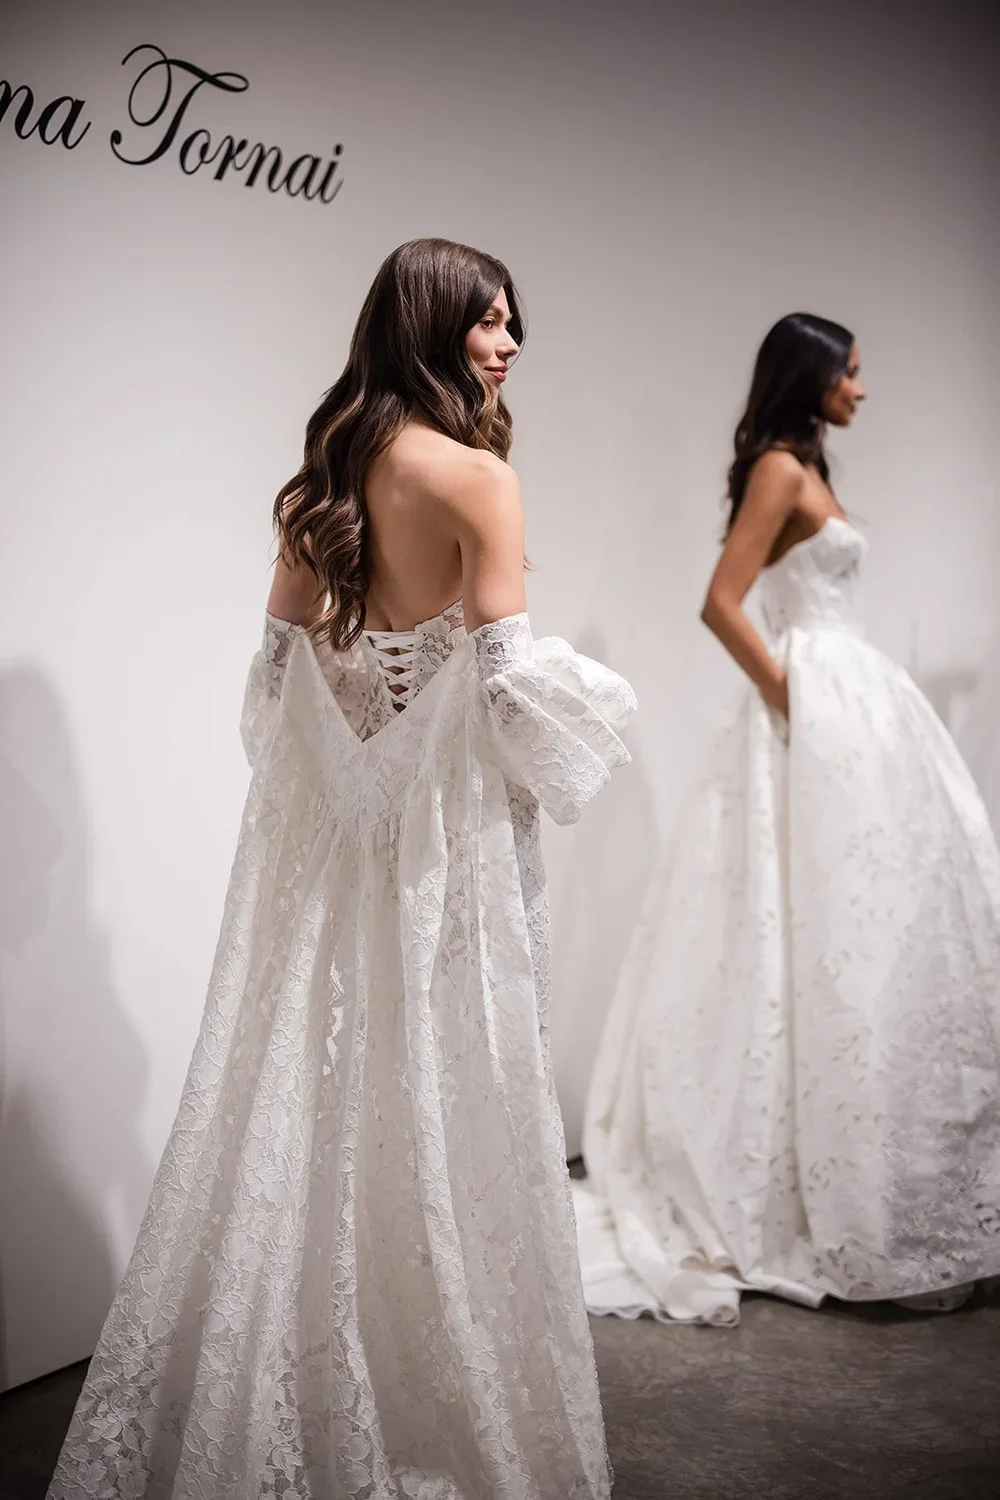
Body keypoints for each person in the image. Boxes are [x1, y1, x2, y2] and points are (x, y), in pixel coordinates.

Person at [48, 238, 634, 1498]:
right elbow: (509, 686)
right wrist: (599, 723)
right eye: (487, 321)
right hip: (446, 856)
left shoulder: (325, 475)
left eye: (513, 321)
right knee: (442, 1091)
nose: (511, 341)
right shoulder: (479, 479)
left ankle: (308, 1384)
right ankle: (430, 1387)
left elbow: (272, 690)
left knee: (320, 1098)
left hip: (338, 857)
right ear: (428, 329)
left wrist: (361, 742)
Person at [574, 312, 1000, 1326]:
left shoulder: (804, 466)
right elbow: (721, 601)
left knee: (871, 931)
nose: (861, 386)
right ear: (809, 378)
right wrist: (789, 701)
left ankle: (881, 1170)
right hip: (816, 707)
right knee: (816, 933)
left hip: (857, 707)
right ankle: (808, 1185)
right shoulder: (776, 468)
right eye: (850, 370)